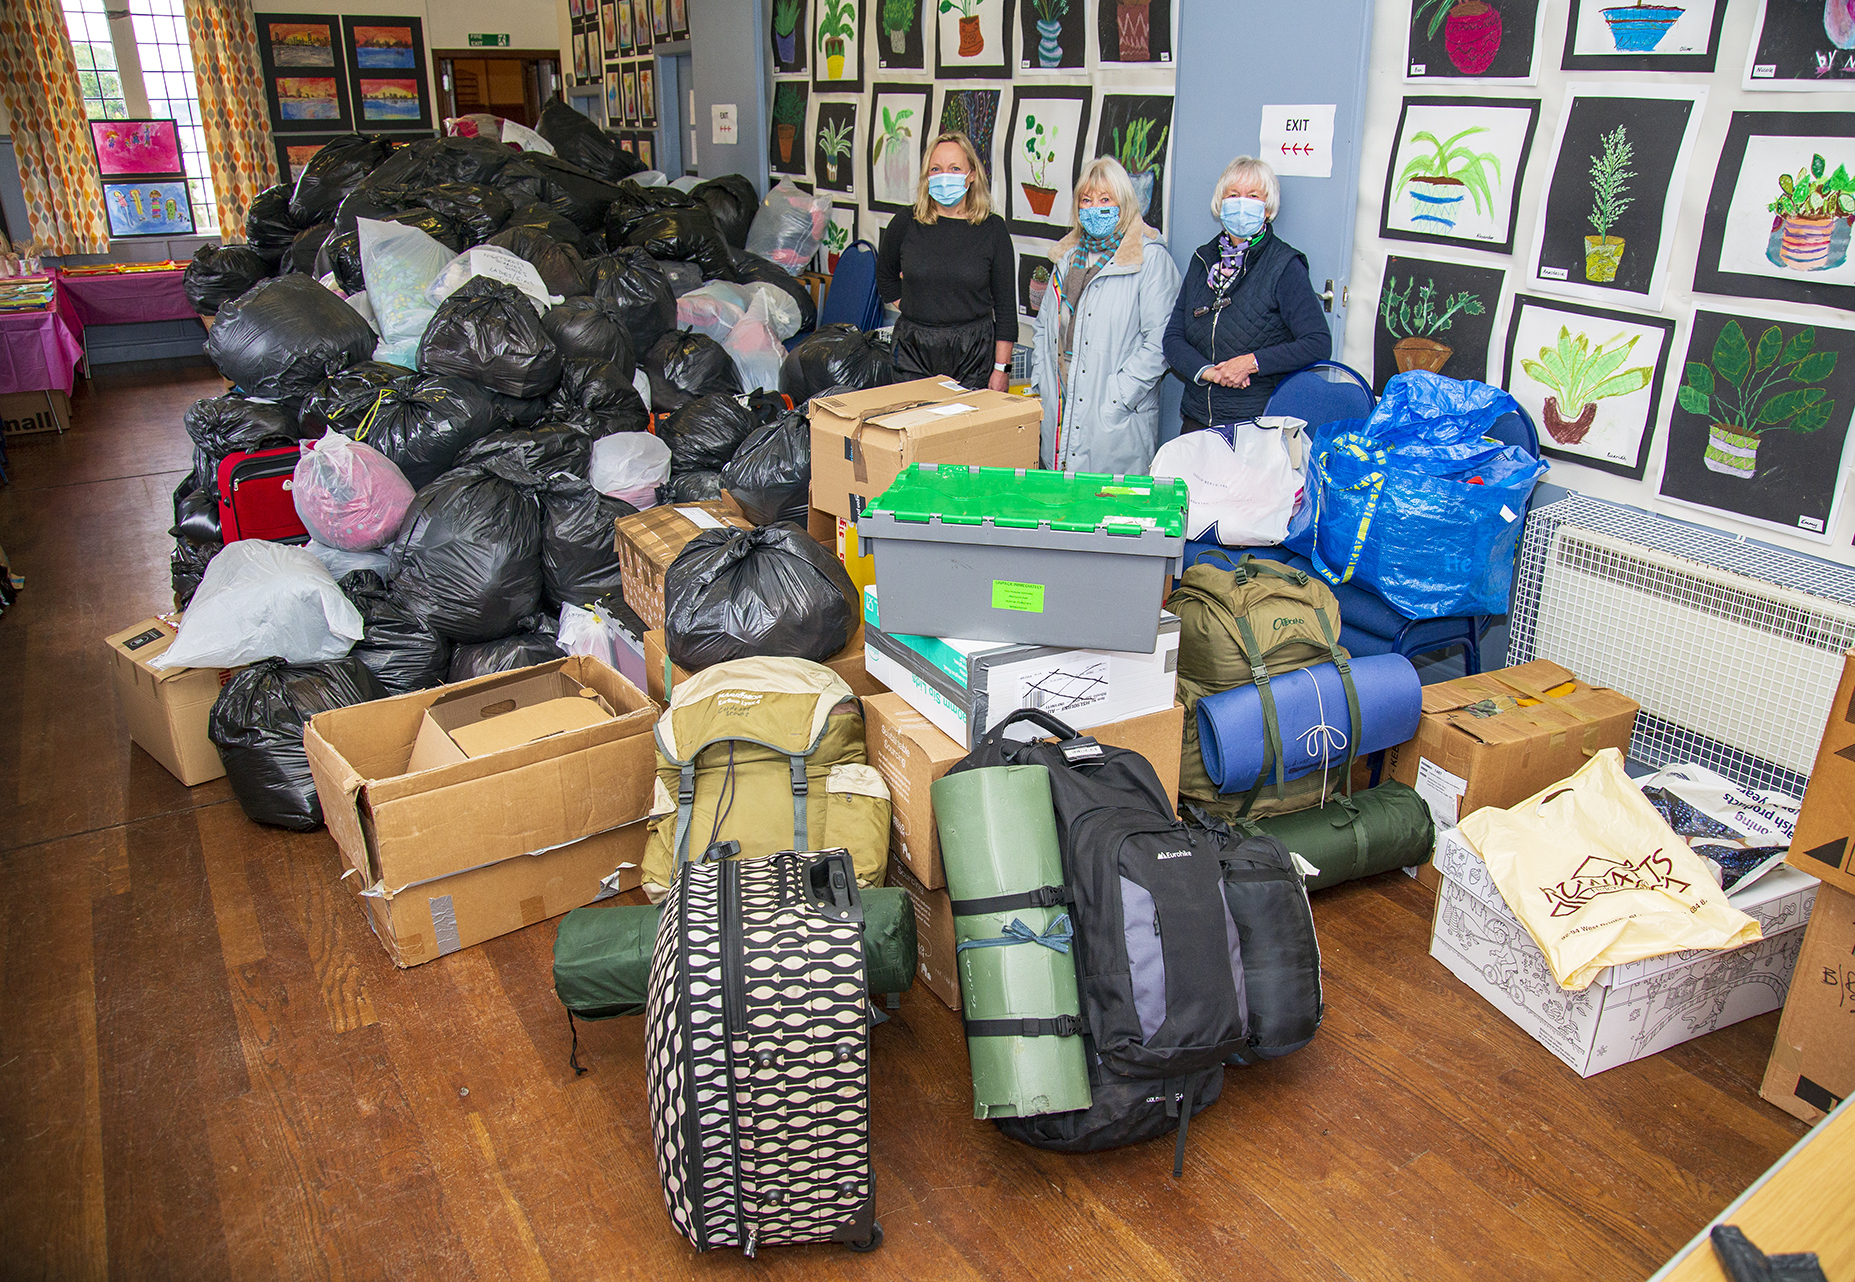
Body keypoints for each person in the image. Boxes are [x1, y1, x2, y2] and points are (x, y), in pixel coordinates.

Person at [1031, 156, 1181, 474]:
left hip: (1113, 421)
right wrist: (1041, 382)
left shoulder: (1149, 260)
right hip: (1060, 412)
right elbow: (1043, 329)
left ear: (1123, 204)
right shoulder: (1066, 259)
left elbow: (1161, 342)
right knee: (1060, 516)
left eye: (1105, 199)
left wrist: (1120, 395)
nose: (1094, 207)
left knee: (1108, 515)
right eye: (1086, 200)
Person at [1163, 156, 1331, 433]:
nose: (1242, 203)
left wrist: (1250, 363)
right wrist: (1210, 373)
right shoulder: (1203, 259)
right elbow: (1173, 338)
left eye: (1253, 196)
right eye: (1233, 195)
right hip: (1196, 420)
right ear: (1221, 203)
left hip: (1255, 424)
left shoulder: (1285, 265)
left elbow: (1317, 342)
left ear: (1267, 209)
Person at [875, 131, 1016, 391]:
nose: (945, 176)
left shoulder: (993, 229)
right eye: (936, 169)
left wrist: (1001, 369)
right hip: (913, 349)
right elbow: (885, 277)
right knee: (912, 425)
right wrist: (914, 305)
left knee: (965, 428)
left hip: (973, 351)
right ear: (927, 176)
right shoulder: (906, 222)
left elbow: (1006, 308)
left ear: (972, 174)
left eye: (954, 168)